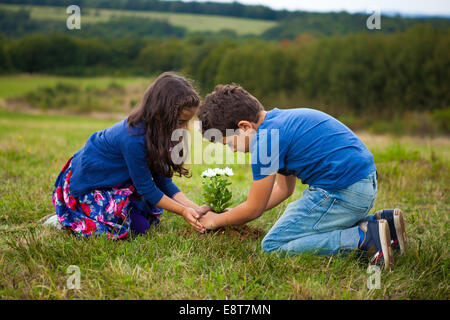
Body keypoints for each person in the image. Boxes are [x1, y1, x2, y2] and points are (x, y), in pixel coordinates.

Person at [197, 84, 408, 269]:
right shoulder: (277, 123)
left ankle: (364, 239)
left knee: (273, 246)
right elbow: (283, 190)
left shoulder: (265, 143)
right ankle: (385, 225)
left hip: (341, 191)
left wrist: (216, 220)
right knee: (297, 228)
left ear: (244, 127)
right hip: (362, 185)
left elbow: (254, 208)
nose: (232, 150)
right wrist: (234, 212)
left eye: (229, 143)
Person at [49, 72, 207, 239]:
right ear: (160, 115)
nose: (184, 129)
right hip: (90, 183)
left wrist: (194, 208)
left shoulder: (162, 133)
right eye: (181, 122)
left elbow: (163, 182)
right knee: (138, 228)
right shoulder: (133, 138)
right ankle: (68, 217)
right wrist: (182, 211)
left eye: (187, 122)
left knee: (145, 220)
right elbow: (147, 189)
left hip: (116, 182)